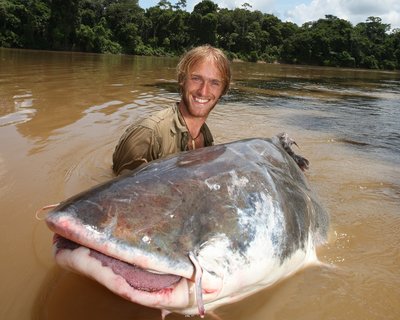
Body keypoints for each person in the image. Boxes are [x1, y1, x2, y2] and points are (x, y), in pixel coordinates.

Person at [112, 45, 231, 175]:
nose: (203, 91)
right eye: (196, 79)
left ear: (223, 91)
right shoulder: (149, 134)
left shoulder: (206, 135)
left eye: (214, 83)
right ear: (182, 80)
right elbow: (119, 192)